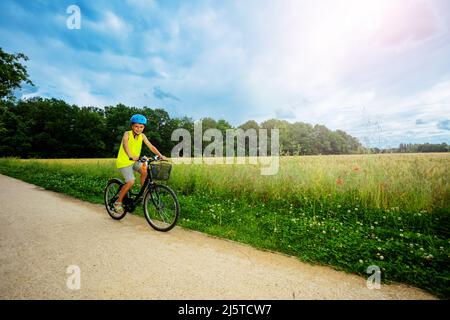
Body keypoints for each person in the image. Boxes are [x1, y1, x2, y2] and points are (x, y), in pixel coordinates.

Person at [114, 114, 167, 214]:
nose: (139, 129)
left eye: (141, 127)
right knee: (131, 181)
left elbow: (151, 147)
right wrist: (130, 155)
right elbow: (125, 145)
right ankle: (118, 202)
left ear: (144, 127)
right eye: (136, 126)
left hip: (134, 161)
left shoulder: (142, 136)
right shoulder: (127, 134)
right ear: (132, 126)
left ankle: (143, 194)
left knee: (145, 172)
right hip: (124, 162)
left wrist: (161, 155)